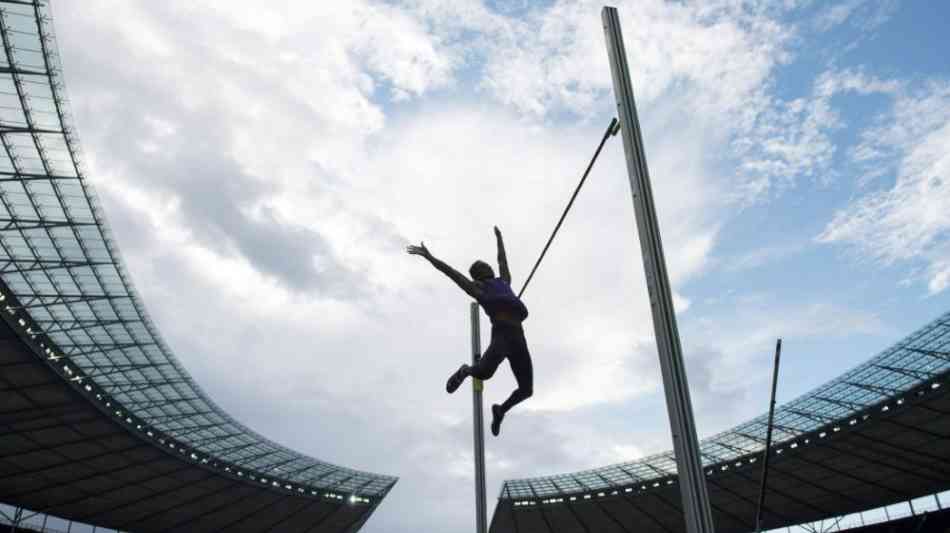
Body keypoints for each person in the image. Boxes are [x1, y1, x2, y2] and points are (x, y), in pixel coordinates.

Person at [407, 226, 532, 436]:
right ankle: (466, 370)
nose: (487, 267)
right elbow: (452, 274)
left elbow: (503, 260)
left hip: (519, 337)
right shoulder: (478, 289)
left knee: (526, 390)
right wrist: (430, 257)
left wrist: (500, 239)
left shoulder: (504, 281)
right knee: (484, 373)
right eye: (481, 268)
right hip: (502, 334)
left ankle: (500, 410)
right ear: (477, 276)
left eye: (486, 265)